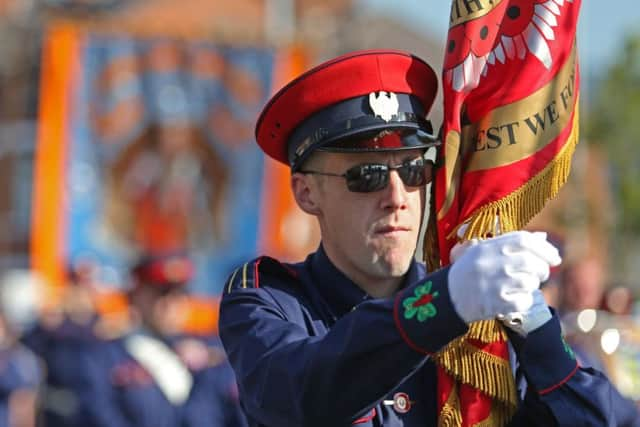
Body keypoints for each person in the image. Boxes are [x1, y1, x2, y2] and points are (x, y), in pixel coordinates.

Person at [218, 50, 640, 426]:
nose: (397, 198)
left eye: (414, 171)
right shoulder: (268, 299)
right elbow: (296, 396)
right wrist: (445, 301)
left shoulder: (477, 317)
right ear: (306, 193)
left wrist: (537, 331)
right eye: (368, 175)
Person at [80, 252, 246, 427]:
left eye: (180, 292)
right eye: (162, 292)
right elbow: (100, 415)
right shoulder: (103, 357)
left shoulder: (214, 353)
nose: (172, 302)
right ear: (136, 294)